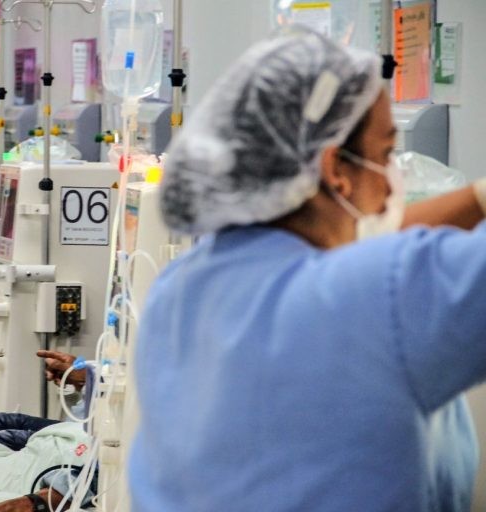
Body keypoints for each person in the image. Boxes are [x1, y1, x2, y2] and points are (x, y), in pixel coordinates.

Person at [130, 27, 486, 512]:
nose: (391, 187)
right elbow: (376, 278)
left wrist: (476, 197)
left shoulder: (178, 287)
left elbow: (360, 260)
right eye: (386, 155)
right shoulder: (378, 300)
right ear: (335, 168)